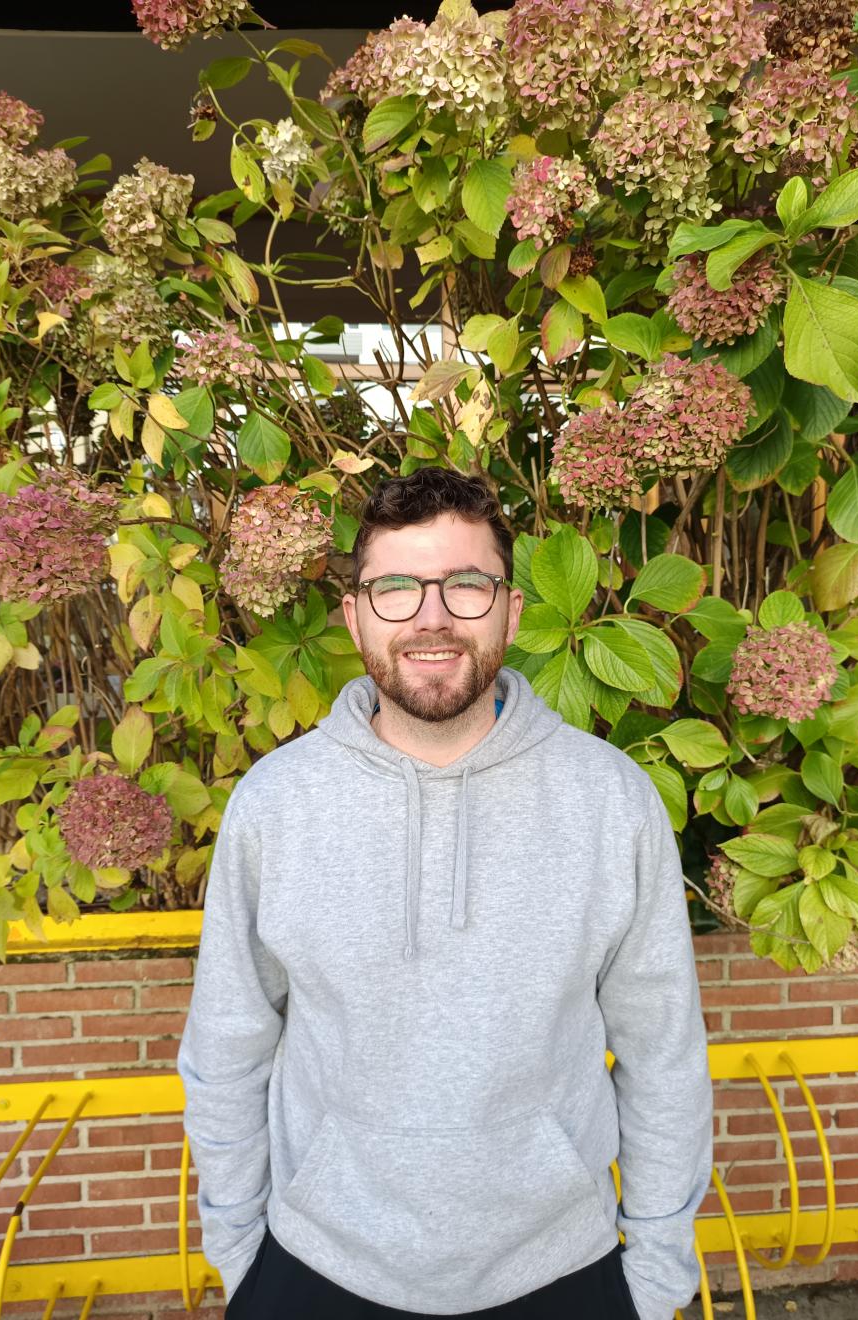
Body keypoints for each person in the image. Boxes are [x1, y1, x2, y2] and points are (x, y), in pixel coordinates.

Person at [177, 468, 713, 1320]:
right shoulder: (277, 804)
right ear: (355, 615)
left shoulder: (609, 800)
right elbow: (228, 1045)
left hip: (559, 1269)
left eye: (466, 584)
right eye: (396, 588)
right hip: (316, 1265)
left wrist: (652, 1279)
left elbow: (664, 1056)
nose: (431, 616)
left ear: (511, 610)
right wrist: (242, 1255)